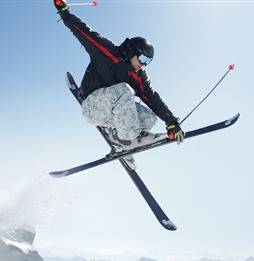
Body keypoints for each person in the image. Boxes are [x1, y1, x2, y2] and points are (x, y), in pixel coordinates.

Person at [54, 0, 184, 170]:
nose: (143, 65)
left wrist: (171, 121)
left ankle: (119, 138)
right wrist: (64, 11)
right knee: (124, 89)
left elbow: (152, 97)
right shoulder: (107, 52)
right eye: (143, 59)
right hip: (92, 107)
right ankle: (128, 141)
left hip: (113, 117)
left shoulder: (138, 76)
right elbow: (83, 31)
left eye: (148, 62)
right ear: (132, 51)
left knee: (149, 118)